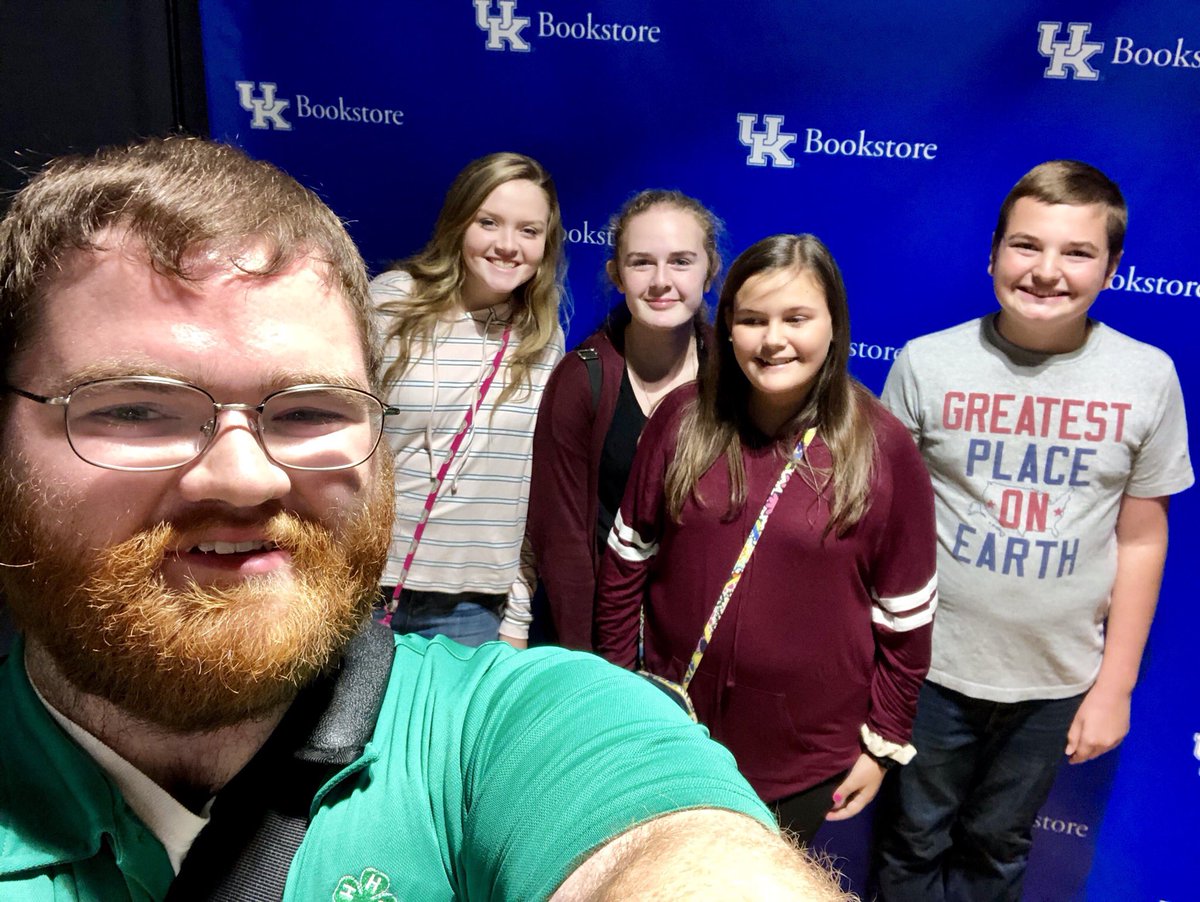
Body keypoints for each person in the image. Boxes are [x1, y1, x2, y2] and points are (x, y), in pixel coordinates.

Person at [0, 137, 856, 901]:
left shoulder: (546, 348)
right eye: (136, 411)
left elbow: (664, 839)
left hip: (469, 607)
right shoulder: (401, 308)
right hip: (384, 583)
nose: (244, 475)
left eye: (306, 410)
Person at [873, 160, 1194, 901]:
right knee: (910, 840)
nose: (1047, 271)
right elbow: (882, 526)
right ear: (992, 255)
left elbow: (1143, 540)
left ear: (1113, 268)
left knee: (999, 847)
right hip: (930, 670)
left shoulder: (1147, 378)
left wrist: (1114, 686)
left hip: (1057, 683)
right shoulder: (928, 364)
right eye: (1026, 246)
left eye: (1077, 252)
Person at [595, 233, 938, 843]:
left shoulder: (881, 448)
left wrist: (883, 743)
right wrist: (620, 694)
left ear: (834, 325)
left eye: (797, 318)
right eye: (752, 319)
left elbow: (907, 621)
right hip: (671, 733)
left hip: (802, 759)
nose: (773, 339)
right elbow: (626, 565)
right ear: (727, 327)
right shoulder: (682, 418)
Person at [371, 152, 565, 648]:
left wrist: (518, 617)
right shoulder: (390, 304)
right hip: (364, 589)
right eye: (489, 222)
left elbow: (529, 486)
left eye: (528, 230)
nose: (507, 245)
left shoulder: (543, 339)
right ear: (459, 224)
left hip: (471, 607)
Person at [529, 189, 720, 650]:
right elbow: (563, 540)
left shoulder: (736, 376)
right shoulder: (581, 379)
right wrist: (586, 664)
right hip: (600, 634)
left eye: (680, 261)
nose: (660, 281)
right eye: (641, 262)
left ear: (709, 270)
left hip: (703, 637)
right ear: (617, 274)